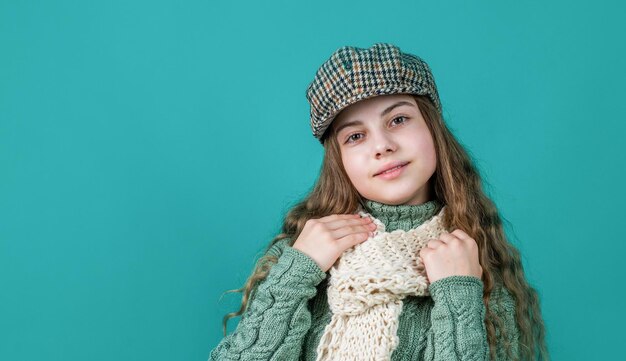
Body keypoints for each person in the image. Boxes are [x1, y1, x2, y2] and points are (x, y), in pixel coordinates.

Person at [208, 43, 549, 361]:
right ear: (339, 160)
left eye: (398, 120)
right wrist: (298, 270)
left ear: (433, 128)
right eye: (356, 136)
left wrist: (458, 294)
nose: (382, 145)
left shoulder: (473, 266)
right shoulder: (303, 254)